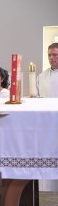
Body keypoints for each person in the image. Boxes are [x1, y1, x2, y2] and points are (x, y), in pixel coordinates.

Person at [36, 42, 58, 192]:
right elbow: (37, 98)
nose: (52, 58)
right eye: (49, 55)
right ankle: (47, 195)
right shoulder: (41, 76)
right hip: (46, 126)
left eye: (55, 55)